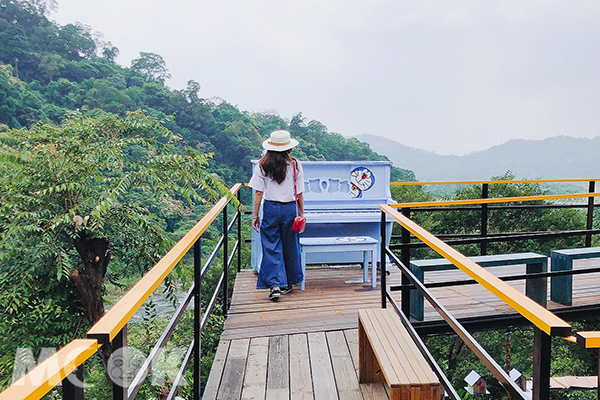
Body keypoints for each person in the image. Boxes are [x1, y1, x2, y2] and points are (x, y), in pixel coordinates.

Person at [248, 130, 304, 301]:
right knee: (290, 245)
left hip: (271, 208)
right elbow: (300, 192)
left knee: (271, 246)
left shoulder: (262, 165)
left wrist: (255, 216)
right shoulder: (295, 165)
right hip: (290, 209)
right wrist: (302, 212)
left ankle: (274, 285)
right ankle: (288, 282)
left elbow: (259, 192)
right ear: (289, 148)